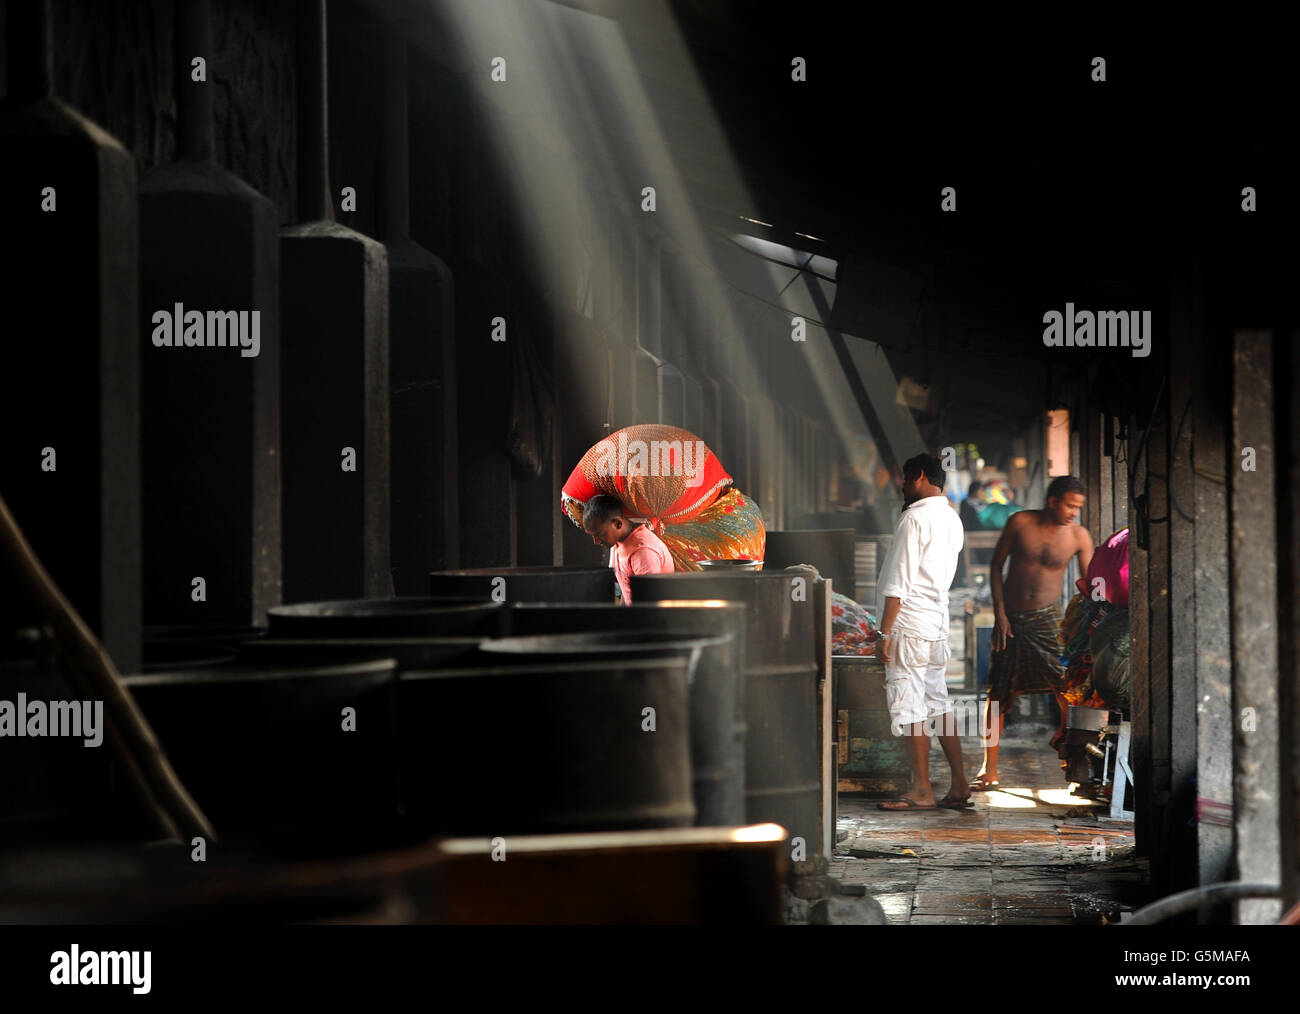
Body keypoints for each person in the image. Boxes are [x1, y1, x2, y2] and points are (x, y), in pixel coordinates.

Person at [970, 475, 1094, 791]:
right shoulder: (1019, 522)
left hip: (1050, 620)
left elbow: (1091, 588)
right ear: (1052, 501)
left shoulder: (1079, 536)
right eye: (1069, 505)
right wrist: (999, 614)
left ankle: (1073, 764)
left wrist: (1092, 626)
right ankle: (990, 768)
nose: (1073, 513)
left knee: (1068, 690)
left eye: (1078, 507)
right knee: (998, 693)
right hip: (1010, 618)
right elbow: (996, 567)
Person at [875, 453, 969, 811]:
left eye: (904, 478)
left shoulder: (913, 519)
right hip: (936, 624)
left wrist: (884, 633)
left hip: (909, 626)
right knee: (938, 702)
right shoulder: (951, 518)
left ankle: (922, 790)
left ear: (917, 476)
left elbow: (898, 583)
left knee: (910, 704)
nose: (901, 485)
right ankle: (960, 784)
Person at [582, 494, 674, 605]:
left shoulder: (642, 552)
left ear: (617, 524)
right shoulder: (618, 543)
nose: (596, 541)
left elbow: (650, 604)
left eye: (599, 534)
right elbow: (627, 594)